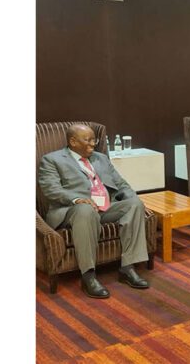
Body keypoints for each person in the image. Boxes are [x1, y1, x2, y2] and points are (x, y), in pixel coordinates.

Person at [38, 124, 150, 299]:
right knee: (85, 209)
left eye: (94, 140)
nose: (93, 144)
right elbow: (51, 189)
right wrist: (76, 199)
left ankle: (128, 268)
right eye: (88, 140)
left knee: (135, 204)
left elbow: (121, 184)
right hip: (73, 210)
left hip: (105, 207)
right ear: (73, 141)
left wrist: (134, 199)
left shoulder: (101, 158)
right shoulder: (52, 160)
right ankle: (88, 275)